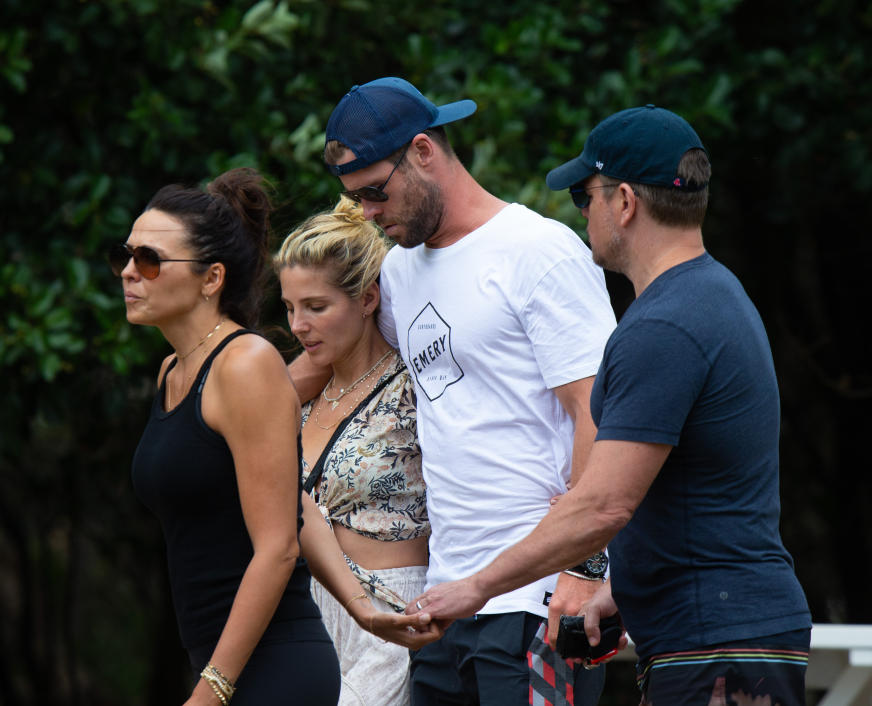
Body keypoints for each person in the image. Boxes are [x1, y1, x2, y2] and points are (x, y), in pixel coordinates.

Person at [409, 105, 813, 706]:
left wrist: (477, 587)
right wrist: (618, 588)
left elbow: (601, 506)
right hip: (720, 631)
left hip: (717, 640)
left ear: (624, 201)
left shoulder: (666, 325)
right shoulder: (710, 296)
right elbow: (698, 492)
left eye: (583, 194)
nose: (583, 213)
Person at [292, 77, 617, 706]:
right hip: (445, 602)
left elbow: (601, 416)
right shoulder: (399, 271)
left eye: (375, 193)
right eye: (354, 199)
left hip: (536, 596)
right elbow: (330, 355)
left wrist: (584, 570)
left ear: (422, 152)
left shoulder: (538, 252)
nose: (367, 213)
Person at [114, 168, 427, 706]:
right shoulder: (174, 372)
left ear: (211, 279)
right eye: (125, 255)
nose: (128, 272)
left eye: (148, 259)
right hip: (224, 654)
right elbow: (292, 502)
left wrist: (212, 690)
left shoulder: (247, 364)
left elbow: (278, 546)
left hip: (273, 661)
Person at [274, 195, 432, 706]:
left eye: (316, 307)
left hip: (391, 614)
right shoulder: (298, 403)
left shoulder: (414, 389)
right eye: (291, 308)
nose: (299, 325)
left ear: (367, 298)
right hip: (304, 618)